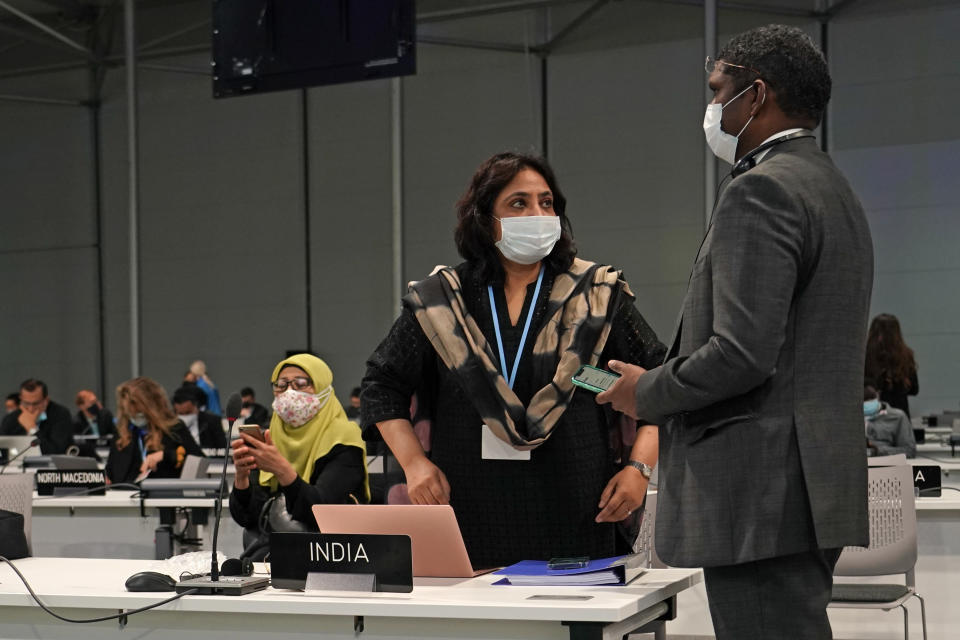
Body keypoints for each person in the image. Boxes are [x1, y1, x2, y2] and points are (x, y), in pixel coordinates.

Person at [597, 25, 873, 640]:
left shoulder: (763, 190)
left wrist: (646, 393)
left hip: (761, 490)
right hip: (805, 481)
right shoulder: (830, 185)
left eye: (717, 89)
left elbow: (742, 353)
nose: (711, 107)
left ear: (755, 97)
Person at [361, 151, 665, 569]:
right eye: (518, 203)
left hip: (579, 511)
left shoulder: (595, 293)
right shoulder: (443, 299)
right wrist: (415, 464)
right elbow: (382, 385)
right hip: (468, 515)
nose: (537, 213)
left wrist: (638, 469)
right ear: (485, 218)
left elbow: (660, 386)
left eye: (546, 202)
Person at [229, 354, 369, 545]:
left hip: (331, 555)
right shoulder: (273, 435)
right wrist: (242, 478)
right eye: (281, 384)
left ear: (323, 388)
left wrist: (282, 470)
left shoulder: (344, 439)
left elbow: (322, 513)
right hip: (274, 556)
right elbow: (248, 519)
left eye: (301, 383)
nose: (289, 391)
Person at [105, 377, 203, 484]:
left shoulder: (174, 428)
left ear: (153, 408)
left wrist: (166, 455)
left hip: (163, 496)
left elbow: (199, 461)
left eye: (140, 414)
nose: (136, 418)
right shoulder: (121, 434)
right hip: (123, 496)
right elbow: (110, 472)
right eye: (130, 414)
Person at [865, 313, 919, 418]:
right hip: (899, 416)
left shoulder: (866, 356)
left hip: (874, 415)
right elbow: (914, 389)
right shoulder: (905, 356)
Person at [0, 378, 74, 454]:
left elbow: (56, 452)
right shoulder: (11, 419)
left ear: (46, 401)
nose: (31, 409)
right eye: (26, 403)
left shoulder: (60, 414)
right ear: (21, 400)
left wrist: (32, 429)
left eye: (36, 404)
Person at [864, 385, 916, 458]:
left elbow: (909, 451)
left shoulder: (897, 417)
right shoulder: (848, 418)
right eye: (863, 400)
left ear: (878, 395)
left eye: (870, 398)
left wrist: (876, 450)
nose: (866, 403)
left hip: (885, 462)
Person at [172, 385, 227, 449]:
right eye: (180, 413)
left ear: (196, 407)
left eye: (188, 412)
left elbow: (223, 448)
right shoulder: (171, 425)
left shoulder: (212, 421)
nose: (184, 417)